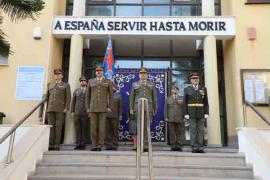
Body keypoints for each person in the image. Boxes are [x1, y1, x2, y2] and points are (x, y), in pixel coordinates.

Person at [129, 67, 158, 151]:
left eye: (144, 73)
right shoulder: (134, 84)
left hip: (148, 108)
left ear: (147, 75)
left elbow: (154, 98)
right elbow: (131, 97)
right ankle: (138, 145)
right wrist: (131, 108)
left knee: (147, 127)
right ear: (139, 75)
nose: (143, 75)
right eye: (141, 73)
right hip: (137, 107)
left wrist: (154, 109)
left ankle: (145, 146)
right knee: (138, 126)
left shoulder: (151, 84)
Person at [86, 65, 113, 151]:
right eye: (97, 71)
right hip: (93, 108)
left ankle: (100, 145)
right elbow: (87, 96)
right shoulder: (90, 81)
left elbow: (111, 96)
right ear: (95, 72)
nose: (99, 72)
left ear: (103, 72)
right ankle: (94, 145)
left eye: (100, 71)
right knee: (93, 128)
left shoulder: (107, 81)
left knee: (102, 128)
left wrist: (109, 106)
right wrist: (88, 107)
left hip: (103, 108)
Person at [46, 68, 71, 151]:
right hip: (50, 109)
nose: (57, 75)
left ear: (62, 76)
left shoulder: (66, 85)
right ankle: (50, 144)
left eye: (59, 74)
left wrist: (66, 108)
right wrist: (46, 109)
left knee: (58, 127)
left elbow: (68, 97)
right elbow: (47, 97)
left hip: (60, 109)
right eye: (56, 74)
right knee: (51, 127)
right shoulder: (50, 85)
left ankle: (56, 144)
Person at [183, 72, 209, 153]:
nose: (195, 80)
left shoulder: (203, 88)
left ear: (199, 79)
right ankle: (194, 146)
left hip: (201, 112)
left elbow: (206, 102)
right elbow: (185, 102)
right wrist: (186, 113)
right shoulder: (187, 89)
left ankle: (200, 146)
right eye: (194, 78)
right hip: (191, 112)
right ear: (191, 80)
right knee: (193, 129)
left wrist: (206, 112)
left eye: (196, 78)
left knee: (201, 130)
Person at [164, 85, 184, 151]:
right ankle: (172, 145)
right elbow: (165, 109)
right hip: (171, 118)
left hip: (180, 118)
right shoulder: (168, 98)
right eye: (173, 89)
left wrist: (185, 117)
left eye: (176, 89)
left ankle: (179, 145)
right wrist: (166, 117)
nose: (175, 91)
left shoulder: (182, 98)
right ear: (171, 91)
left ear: (178, 91)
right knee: (171, 132)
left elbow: (184, 108)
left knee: (179, 132)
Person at [70, 76, 88, 150]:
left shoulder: (89, 90)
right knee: (77, 129)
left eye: (84, 81)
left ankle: (83, 144)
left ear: (86, 82)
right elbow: (73, 101)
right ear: (80, 82)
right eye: (81, 81)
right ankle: (78, 144)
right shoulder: (76, 91)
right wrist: (72, 111)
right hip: (77, 113)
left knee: (84, 129)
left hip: (85, 112)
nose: (82, 82)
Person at [105, 83, 122, 150]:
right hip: (106, 115)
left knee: (114, 131)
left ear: (115, 88)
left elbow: (120, 107)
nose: (112, 88)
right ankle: (108, 145)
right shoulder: (106, 95)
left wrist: (120, 115)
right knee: (107, 131)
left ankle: (114, 145)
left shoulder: (118, 96)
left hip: (115, 116)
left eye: (113, 87)